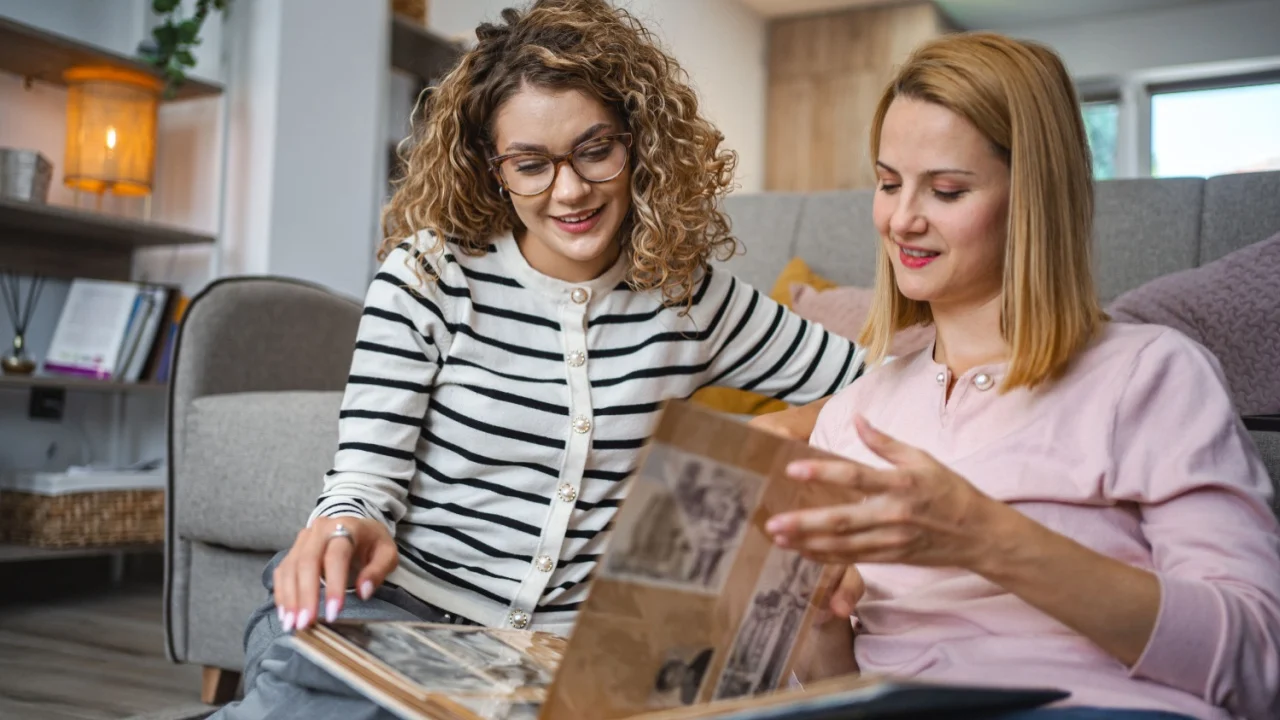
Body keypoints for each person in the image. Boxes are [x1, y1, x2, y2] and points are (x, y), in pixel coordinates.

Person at [210, 1, 866, 717]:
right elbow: (362, 478)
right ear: (492, 169)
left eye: (595, 149)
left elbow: (874, 389)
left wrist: (767, 438)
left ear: (639, 142)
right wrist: (344, 526)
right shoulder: (429, 275)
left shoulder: (692, 298)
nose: (570, 189)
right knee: (327, 695)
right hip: (395, 613)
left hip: (567, 657)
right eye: (531, 164)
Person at [762, 31, 1280, 720]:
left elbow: (1259, 662)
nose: (902, 219)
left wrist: (984, 537)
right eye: (888, 183)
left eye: (946, 190)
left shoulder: (1151, 375)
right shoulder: (853, 415)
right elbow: (830, 685)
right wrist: (821, 632)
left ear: (1033, 196)